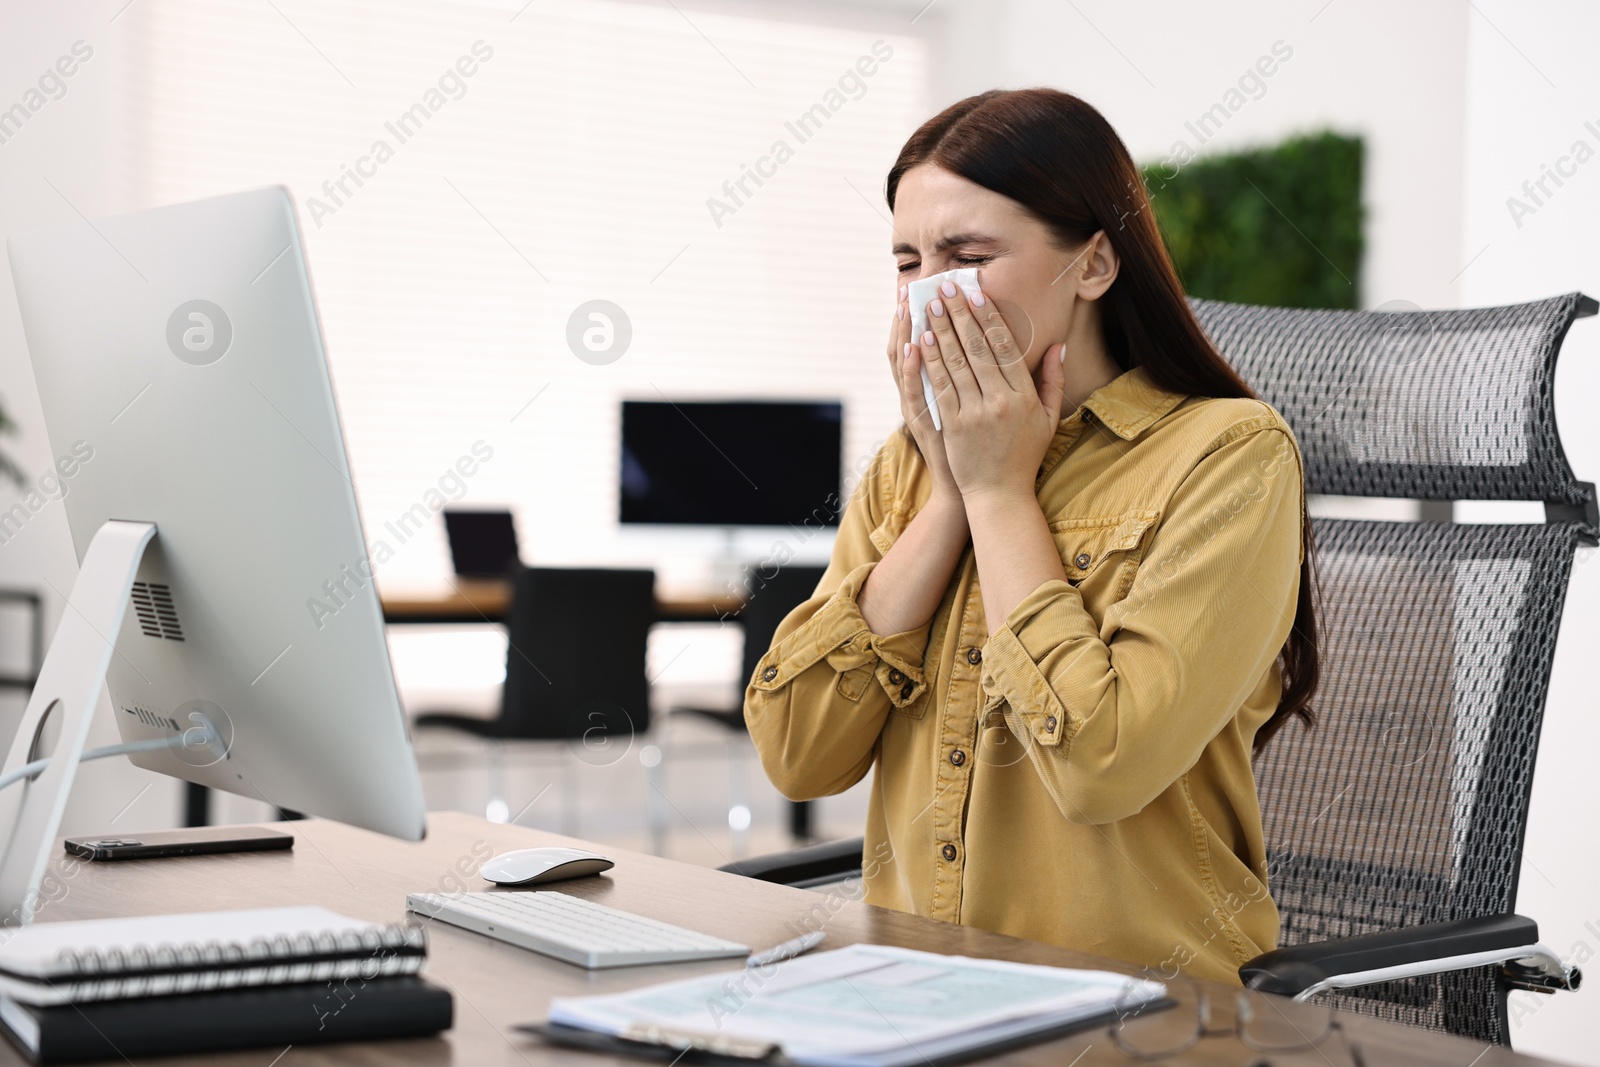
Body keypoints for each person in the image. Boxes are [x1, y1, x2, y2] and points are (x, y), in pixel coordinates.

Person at [743, 88, 1320, 985]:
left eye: (969, 255)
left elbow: (1102, 765)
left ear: (1092, 265)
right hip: (914, 997)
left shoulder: (1231, 456)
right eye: (907, 261)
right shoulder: (908, 467)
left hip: (1141, 1017)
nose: (930, 291)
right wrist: (949, 496)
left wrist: (1000, 493)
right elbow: (797, 754)